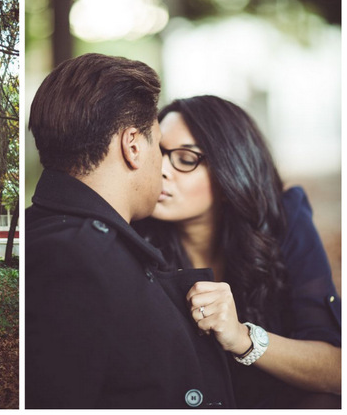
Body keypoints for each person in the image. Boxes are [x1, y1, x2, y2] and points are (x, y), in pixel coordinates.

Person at [26, 53, 237, 408]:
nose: (164, 166)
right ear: (134, 145)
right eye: (159, 144)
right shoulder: (76, 260)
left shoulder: (70, 239)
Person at [134, 95, 341, 408]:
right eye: (158, 152)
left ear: (230, 169)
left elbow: (336, 369)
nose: (161, 169)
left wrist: (241, 338)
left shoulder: (284, 221)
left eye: (185, 159)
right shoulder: (133, 234)